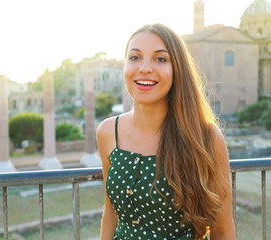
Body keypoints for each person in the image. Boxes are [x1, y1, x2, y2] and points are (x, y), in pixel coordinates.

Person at [97, 23, 236, 240]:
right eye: (134, 57)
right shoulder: (108, 132)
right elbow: (111, 211)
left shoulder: (206, 137)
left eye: (160, 59)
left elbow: (223, 230)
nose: (144, 68)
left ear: (177, 70)